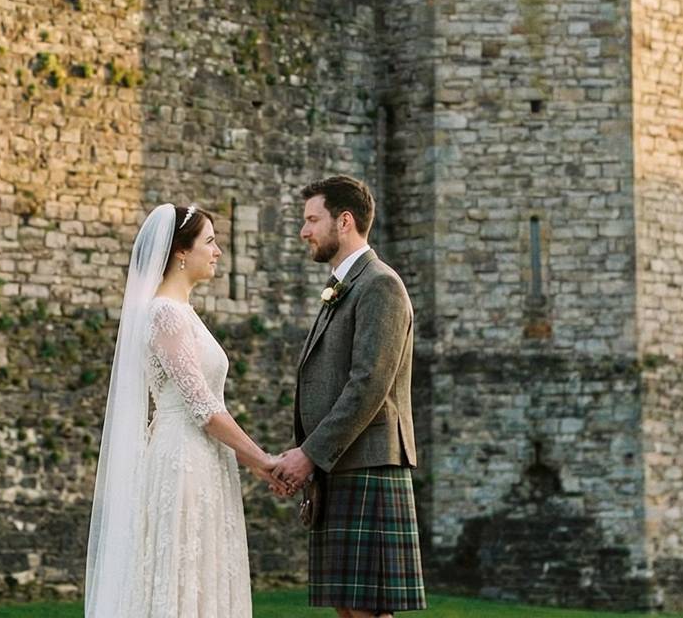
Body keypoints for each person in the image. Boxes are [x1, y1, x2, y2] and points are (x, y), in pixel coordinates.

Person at [84, 203, 280, 617]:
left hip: (203, 458)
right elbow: (202, 406)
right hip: (183, 460)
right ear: (181, 253)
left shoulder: (183, 313)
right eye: (210, 241)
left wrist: (250, 459)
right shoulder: (165, 314)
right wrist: (261, 459)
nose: (218, 251)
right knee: (180, 576)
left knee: (203, 575)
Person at [272, 175, 426, 616]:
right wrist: (307, 454)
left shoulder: (380, 284)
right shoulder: (346, 285)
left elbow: (369, 384)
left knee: (367, 612)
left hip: (368, 462)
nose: (303, 231)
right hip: (342, 462)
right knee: (349, 608)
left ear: (344, 222)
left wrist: (309, 455)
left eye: (311, 220)